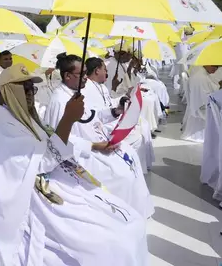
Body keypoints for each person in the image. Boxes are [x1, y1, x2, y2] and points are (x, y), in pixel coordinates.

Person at [0, 64, 149, 266]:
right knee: (112, 242)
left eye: (31, 89)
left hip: (61, 178)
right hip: (34, 200)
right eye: (23, 89)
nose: (29, 95)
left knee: (132, 223)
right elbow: (41, 162)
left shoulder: (25, 118)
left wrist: (91, 144)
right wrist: (68, 119)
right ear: (7, 93)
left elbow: (50, 137)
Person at [45, 53, 154, 219]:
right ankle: (121, 215)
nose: (85, 78)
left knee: (130, 154)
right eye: (81, 74)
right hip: (79, 155)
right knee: (122, 174)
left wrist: (115, 111)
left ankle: (136, 211)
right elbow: (59, 139)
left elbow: (92, 115)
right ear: (67, 76)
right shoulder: (60, 101)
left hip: (96, 141)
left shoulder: (76, 92)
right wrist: (94, 146)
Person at [84, 57, 155, 173]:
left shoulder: (101, 86)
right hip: (103, 125)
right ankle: (132, 169)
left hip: (111, 117)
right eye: (104, 70)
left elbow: (109, 102)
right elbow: (95, 114)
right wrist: (115, 110)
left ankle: (142, 166)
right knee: (138, 136)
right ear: (97, 71)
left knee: (143, 124)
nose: (106, 73)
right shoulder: (87, 88)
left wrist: (121, 100)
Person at [182, 65, 222, 142]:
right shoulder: (201, 77)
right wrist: (220, 90)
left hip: (199, 102)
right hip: (201, 105)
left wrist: (220, 87)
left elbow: (208, 89)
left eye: (218, 67)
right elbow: (206, 97)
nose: (216, 69)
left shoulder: (202, 73)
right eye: (214, 66)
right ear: (207, 64)